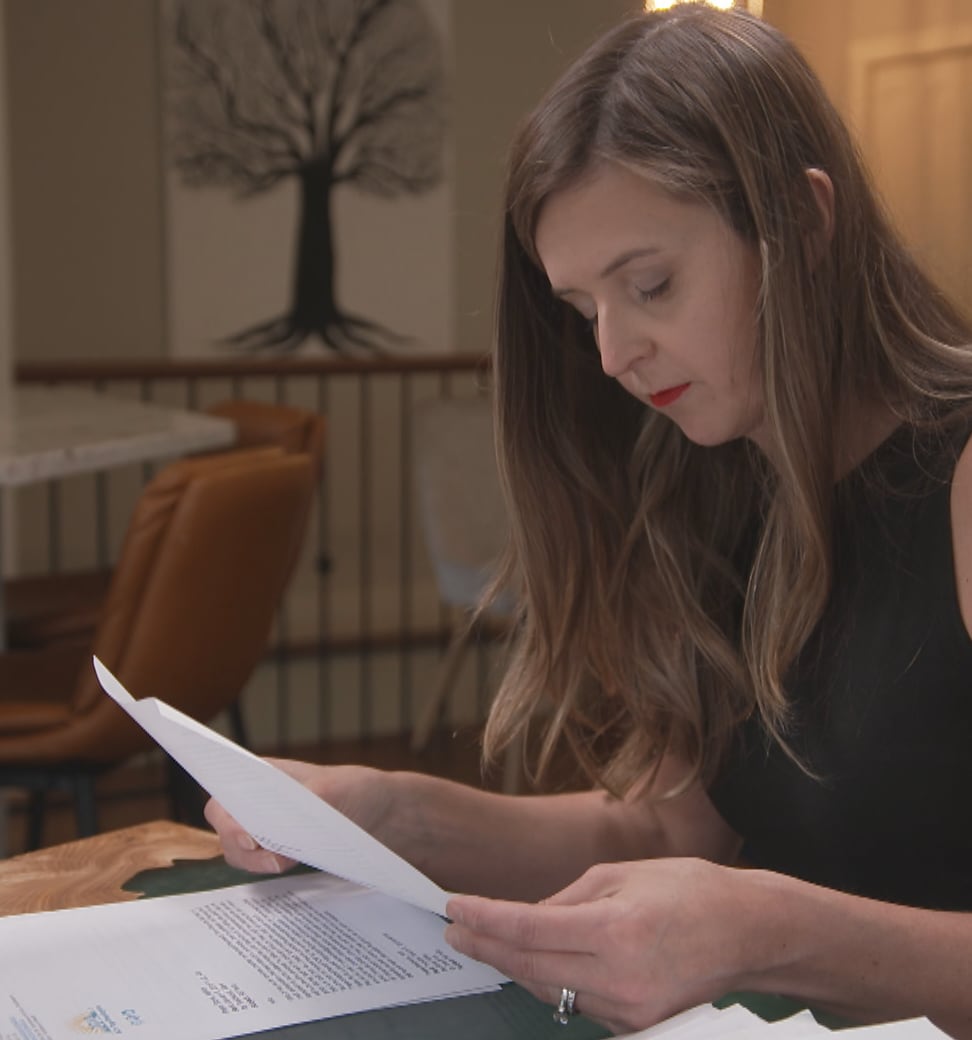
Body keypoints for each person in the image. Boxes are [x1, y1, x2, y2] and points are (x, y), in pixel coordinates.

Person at [206, 4, 972, 1036]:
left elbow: (739, 896)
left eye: (649, 284)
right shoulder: (720, 478)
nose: (613, 354)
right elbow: (671, 825)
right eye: (582, 310)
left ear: (807, 223)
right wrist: (393, 812)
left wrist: (772, 927)